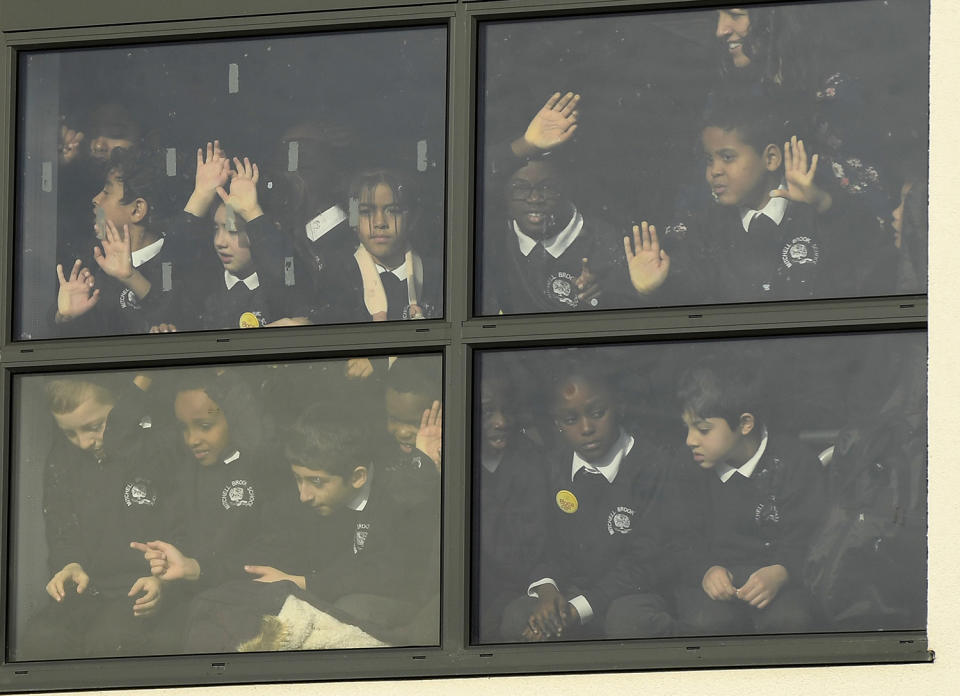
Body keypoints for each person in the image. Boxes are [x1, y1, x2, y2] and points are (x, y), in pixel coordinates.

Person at [183, 409, 441, 651]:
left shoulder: (400, 499)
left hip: (394, 601)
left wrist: (306, 583)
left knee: (353, 608)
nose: (303, 494)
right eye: (298, 478)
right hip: (327, 591)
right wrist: (198, 567)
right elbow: (267, 550)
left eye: (316, 482)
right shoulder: (298, 501)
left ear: (358, 477)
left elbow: (387, 574)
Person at [625, 93, 896, 305]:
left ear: (770, 158)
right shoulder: (707, 228)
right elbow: (691, 288)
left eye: (728, 157)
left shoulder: (814, 211)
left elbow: (867, 252)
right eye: (710, 160)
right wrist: (654, 289)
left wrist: (824, 203)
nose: (714, 170)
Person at [499, 361, 674, 641]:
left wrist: (577, 610)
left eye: (597, 413)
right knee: (520, 618)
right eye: (571, 420)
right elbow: (540, 543)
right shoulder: (550, 467)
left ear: (618, 407)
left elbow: (647, 561)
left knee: (629, 622)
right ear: (557, 424)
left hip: (632, 594)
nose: (586, 428)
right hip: (569, 591)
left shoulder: (653, 466)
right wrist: (547, 592)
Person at [20, 376, 179, 660]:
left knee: (109, 642)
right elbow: (61, 524)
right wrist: (69, 563)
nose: (82, 443)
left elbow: (181, 522)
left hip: (142, 588)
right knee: (41, 639)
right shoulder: (63, 459)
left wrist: (163, 582)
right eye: (69, 433)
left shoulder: (150, 450)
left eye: (94, 427)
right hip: (89, 590)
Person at [674, 358, 826, 635]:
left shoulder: (796, 463)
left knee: (791, 621)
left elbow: (814, 537)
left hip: (782, 583)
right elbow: (679, 537)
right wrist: (705, 570)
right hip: (717, 586)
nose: (690, 440)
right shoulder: (687, 468)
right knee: (706, 624)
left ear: (745, 424)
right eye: (687, 428)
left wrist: (784, 571)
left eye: (703, 429)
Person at [130, 370, 280, 592]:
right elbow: (120, 441)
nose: (192, 440)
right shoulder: (182, 467)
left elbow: (265, 554)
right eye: (184, 428)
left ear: (234, 418)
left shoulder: (259, 466)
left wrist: (225, 372)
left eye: (205, 426)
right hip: (193, 594)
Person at [149, 144, 311, 332]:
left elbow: (285, 274)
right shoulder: (203, 283)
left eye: (233, 231)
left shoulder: (281, 287)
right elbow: (170, 265)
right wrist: (200, 196)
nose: (220, 242)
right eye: (215, 229)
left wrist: (252, 212)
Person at [52, 146, 188, 337]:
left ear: (137, 209)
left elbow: (176, 320)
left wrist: (131, 278)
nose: (95, 199)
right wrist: (64, 318)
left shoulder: (176, 263)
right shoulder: (90, 261)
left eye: (107, 191)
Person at [482, 155, 634, 314]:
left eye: (547, 187)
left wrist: (605, 298)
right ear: (505, 194)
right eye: (520, 188)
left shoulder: (606, 241)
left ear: (567, 190)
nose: (534, 198)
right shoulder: (494, 239)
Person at [473, 361, 549, 642]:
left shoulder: (530, 462)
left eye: (507, 410)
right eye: (487, 411)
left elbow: (525, 553)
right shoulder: (455, 456)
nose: (501, 422)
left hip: (515, 590)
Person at [315, 169, 441, 322]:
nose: (380, 222)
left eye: (392, 211)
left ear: (412, 218)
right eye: (366, 212)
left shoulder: (438, 278)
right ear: (353, 220)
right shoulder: (335, 280)